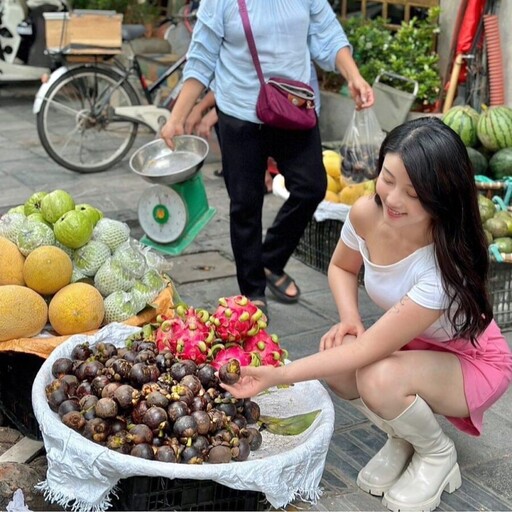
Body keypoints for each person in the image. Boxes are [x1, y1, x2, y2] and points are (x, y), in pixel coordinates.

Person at [221, 117, 512, 512]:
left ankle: (437, 454)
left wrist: (279, 377)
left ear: (441, 197)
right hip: (419, 343)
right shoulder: (365, 213)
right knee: (340, 357)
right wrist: (350, 318)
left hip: (474, 361)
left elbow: (367, 354)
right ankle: (403, 437)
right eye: (388, 179)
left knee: (374, 374)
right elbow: (342, 268)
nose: (393, 199)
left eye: (414, 193)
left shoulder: (441, 267)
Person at [161, 0, 374, 318]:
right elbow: (202, 57)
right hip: (240, 112)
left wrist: (353, 76)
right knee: (245, 203)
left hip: (294, 106)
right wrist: (178, 116)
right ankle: (252, 290)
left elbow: (329, 35)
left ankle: (270, 260)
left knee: (311, 186)